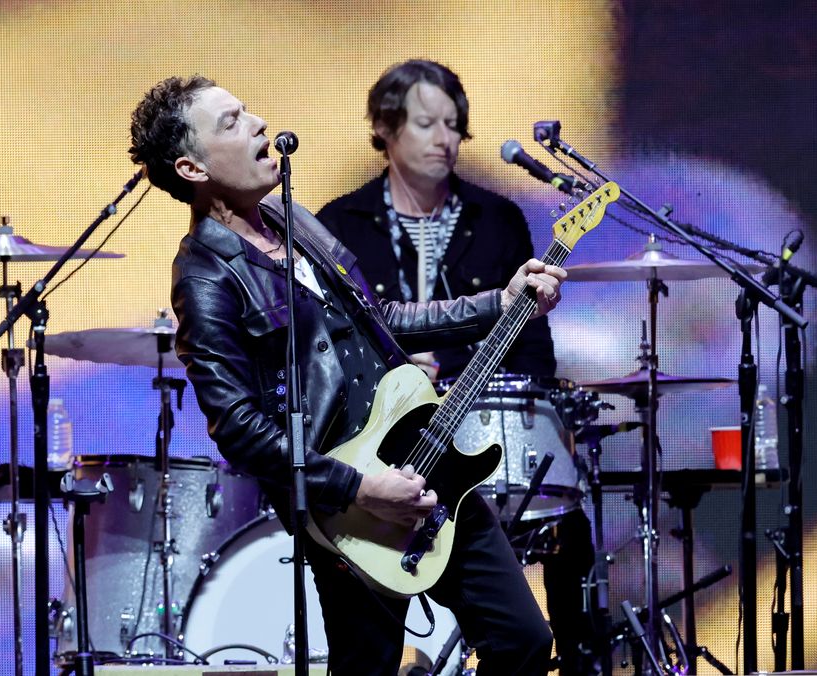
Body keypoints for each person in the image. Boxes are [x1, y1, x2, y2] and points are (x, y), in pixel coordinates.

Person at [129, 74, 566, 675]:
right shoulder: (205, 277)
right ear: (192, 169)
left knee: (522, 641)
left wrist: (501, 300)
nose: (257, 123)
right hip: (348, 508)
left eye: (248, 108)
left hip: (423, 454)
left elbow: (379, 317)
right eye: (231, 122)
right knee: (369, 667)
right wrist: (361, 489)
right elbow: (237, 427)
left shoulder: (295, 220)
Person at [317, 60, 598, 675]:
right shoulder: (337, 225)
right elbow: (327, 353)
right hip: (376, 455)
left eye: (454, 125)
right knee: (366, 656)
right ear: (385, 128)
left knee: (540, 604)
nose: (445, 138)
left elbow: (531, 349)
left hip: (476, 431)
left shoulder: (497, 219)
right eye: (426, 123)